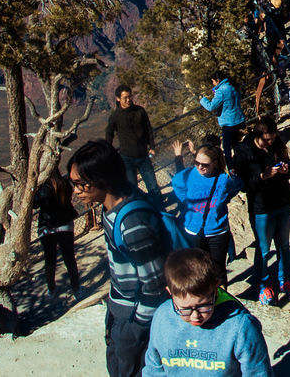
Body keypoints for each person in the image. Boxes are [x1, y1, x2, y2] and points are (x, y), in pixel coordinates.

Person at [69, 139, 168, 377]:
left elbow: (155, 285)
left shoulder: (132, 222)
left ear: (101, 180)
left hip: (136, 318)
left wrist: (133, 329)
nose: (75, 191)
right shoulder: (112, 207)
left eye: (80, 184)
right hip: (121, 308)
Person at [142, 248, 272, 377]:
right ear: (170, 293)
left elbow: (258, 373)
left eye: (203, 306)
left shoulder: (240, 326)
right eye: (185, 309)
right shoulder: (162, 318)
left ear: (215, 289)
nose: (195, 316)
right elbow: (154, 369)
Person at [231, 118, 290, 306]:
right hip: (261, 207)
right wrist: (262, 177)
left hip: (283, 201)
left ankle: (285, 281)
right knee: (263, 249)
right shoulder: (244, 153)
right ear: (257, 136)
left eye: (272, 139)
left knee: (284, 244)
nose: (270, 143)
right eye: (266, 140)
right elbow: (244, 186)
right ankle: (263, 284)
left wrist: (285, 171)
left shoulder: (277, 144)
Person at [170, 140, 243, 287]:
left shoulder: (224, 179)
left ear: (215, 163)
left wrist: (223, 200)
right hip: (193, 230)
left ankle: (220, 300)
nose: (200, 167)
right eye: (197, 163)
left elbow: (238, 184)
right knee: (196, 270)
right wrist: (186, 201)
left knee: (218, 271)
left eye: (205, 165)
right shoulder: (189, 174)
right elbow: (177, 183)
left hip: (217, 231)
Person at [106, 85, 163, 208]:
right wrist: (108, 152)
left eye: (129, 97)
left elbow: (149, 130)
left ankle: (161, 212)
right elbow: (109, 134)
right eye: (125, 98)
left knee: (153, 187)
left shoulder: (140, 111)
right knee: (132, 190)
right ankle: (140, 213)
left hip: (143, 155)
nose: (128, 100)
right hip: (127, 158)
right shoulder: (115, 116)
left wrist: (152, 146)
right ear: (118, 99)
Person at [34, 171, 82, 300]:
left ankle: (51, 288)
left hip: (48, 227)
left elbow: (34, 204)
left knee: (50, 260)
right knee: (69, 258)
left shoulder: (44, 188)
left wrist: (34, 188)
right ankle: (76, 288)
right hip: (66, 224)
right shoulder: (65, 183)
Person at [201, 74, 246, 164]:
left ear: (218, 80)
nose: (213, 83)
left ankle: (230, 165)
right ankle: (243, 160)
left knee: (227, 147)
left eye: (213, 81)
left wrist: (203, 99)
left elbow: (210, 107)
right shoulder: (232, 85)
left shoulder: (221, 90)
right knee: (236, 143)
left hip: (228, 122)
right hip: (238, 118)